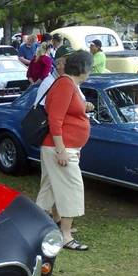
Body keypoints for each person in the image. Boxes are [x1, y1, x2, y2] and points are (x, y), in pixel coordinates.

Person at [36, 50, 94, 251]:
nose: (90, 72)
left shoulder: (70, 85)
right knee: (72, 188)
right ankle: (66, 235)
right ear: (83, 68)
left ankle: (36, 228)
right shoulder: (65, 84)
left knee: (49, 190)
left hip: (65, 147)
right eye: (90, 68)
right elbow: (55, 119)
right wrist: (61, 150)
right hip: (59, 148)